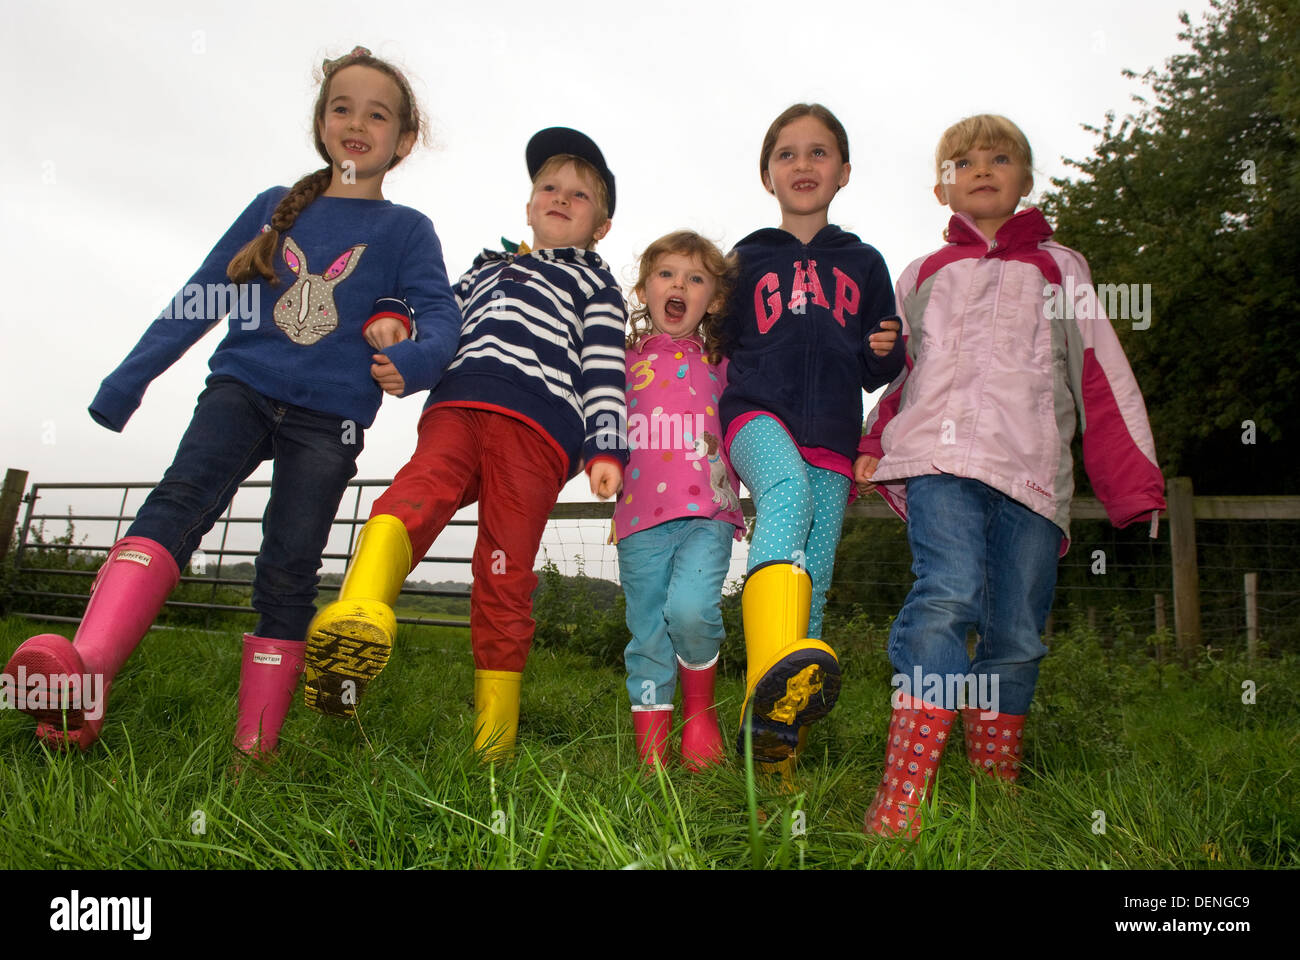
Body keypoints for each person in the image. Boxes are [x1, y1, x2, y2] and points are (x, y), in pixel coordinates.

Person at [1, 46, 461, 758]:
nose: (356, 122)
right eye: (342, 107)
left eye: (378, 114)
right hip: (241, 390)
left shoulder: (407, 231)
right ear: (321, 123)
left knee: (290, 561)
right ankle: (83, 681)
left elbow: (441, 318)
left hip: (328, 418)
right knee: (175, 505)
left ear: (402, 141)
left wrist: (410, 359)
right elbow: (201, 297)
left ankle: (256, 747)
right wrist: (129, 380)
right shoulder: (271, 210)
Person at [859, 114, 1166, 837]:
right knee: (946, 596)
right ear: (943, 189)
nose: (982, 169)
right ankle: (906, 788)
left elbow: (1100, 373)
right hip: (939, 462)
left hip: (1031, 470)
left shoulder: (1062, 268)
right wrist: (874, 438)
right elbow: (903, 374)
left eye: (1000, 158)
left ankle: (997, 783)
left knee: (1018, 631)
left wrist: (1131, 481)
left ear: (1026, 179)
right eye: (962, 162)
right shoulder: (923, 275)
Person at [303, 127, 627, 761]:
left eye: (580, 195)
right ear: (529, 205)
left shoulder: (597, 286)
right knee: (416, 492)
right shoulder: (488, 268)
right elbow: (434, 316)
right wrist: (392, 320)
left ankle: (494, 742)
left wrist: (606, 448)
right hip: (456, 406)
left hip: (537, 431)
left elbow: (605, 370)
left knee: (503, 572)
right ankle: (359, 614)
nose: (561, 198)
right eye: (548, 187)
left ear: (602, 225)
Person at [719, 104, 903, 768]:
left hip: (831, 433)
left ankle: (776, 748)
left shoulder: (865, 262)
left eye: (819, 152)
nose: (803, 164)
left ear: (844, 171)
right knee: (786, 498)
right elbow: (719, 346)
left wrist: (887, 349)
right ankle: (760, 683)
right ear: (767, 174)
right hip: (755, 414)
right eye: (787, 153)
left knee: (815, 582)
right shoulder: (743, 259)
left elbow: (879, 362)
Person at [614, 231, 744, 771]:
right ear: (644, 289)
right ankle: (651, 751)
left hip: (707, 512)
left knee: (690, 611)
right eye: (666, 274)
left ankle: (700, 713)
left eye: (695, 279)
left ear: (713, 300)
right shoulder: (619, 359)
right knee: (647, 632)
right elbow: (595, 418)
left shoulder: (724, 363)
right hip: (638, 517)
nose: (678, 286)